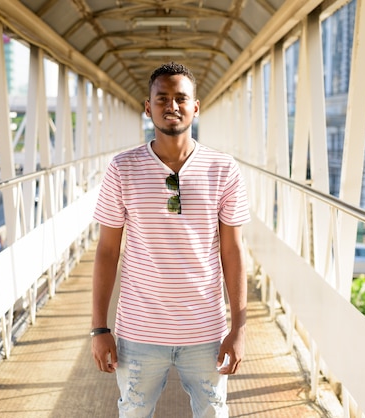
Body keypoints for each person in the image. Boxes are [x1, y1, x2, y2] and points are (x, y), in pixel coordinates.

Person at [91, 62, 250, 418]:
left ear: (196, 106)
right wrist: (99, 328)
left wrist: (239, 328)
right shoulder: (123, 168)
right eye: (162, 98)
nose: (172, 106)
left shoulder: (223, 169)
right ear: (147, 108)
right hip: (138, 331)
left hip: (207, 330)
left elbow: (233, 251)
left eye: (181, 98)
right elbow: (106, 250)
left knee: (213, 413)